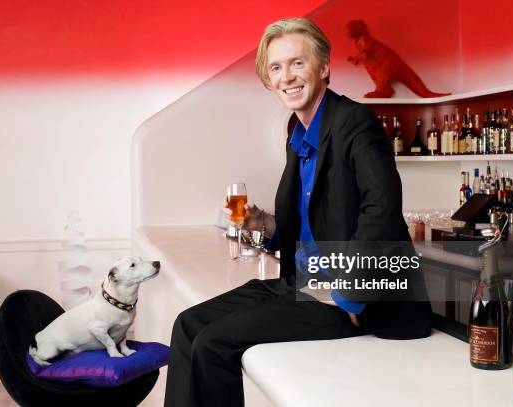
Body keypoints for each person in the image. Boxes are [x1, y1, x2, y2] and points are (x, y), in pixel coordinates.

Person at [164, 17, 432, 407]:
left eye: (297, 63)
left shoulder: (355, 122)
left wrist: (349, 295)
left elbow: (383, 209)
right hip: (303, 283)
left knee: (214, 344)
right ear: (268, 79)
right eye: (276, 67)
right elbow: (307, 225)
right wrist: (261, 223)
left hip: (354, 297)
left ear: (323, 68)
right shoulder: (298, 135)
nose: (286, 76)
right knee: (188, 324)